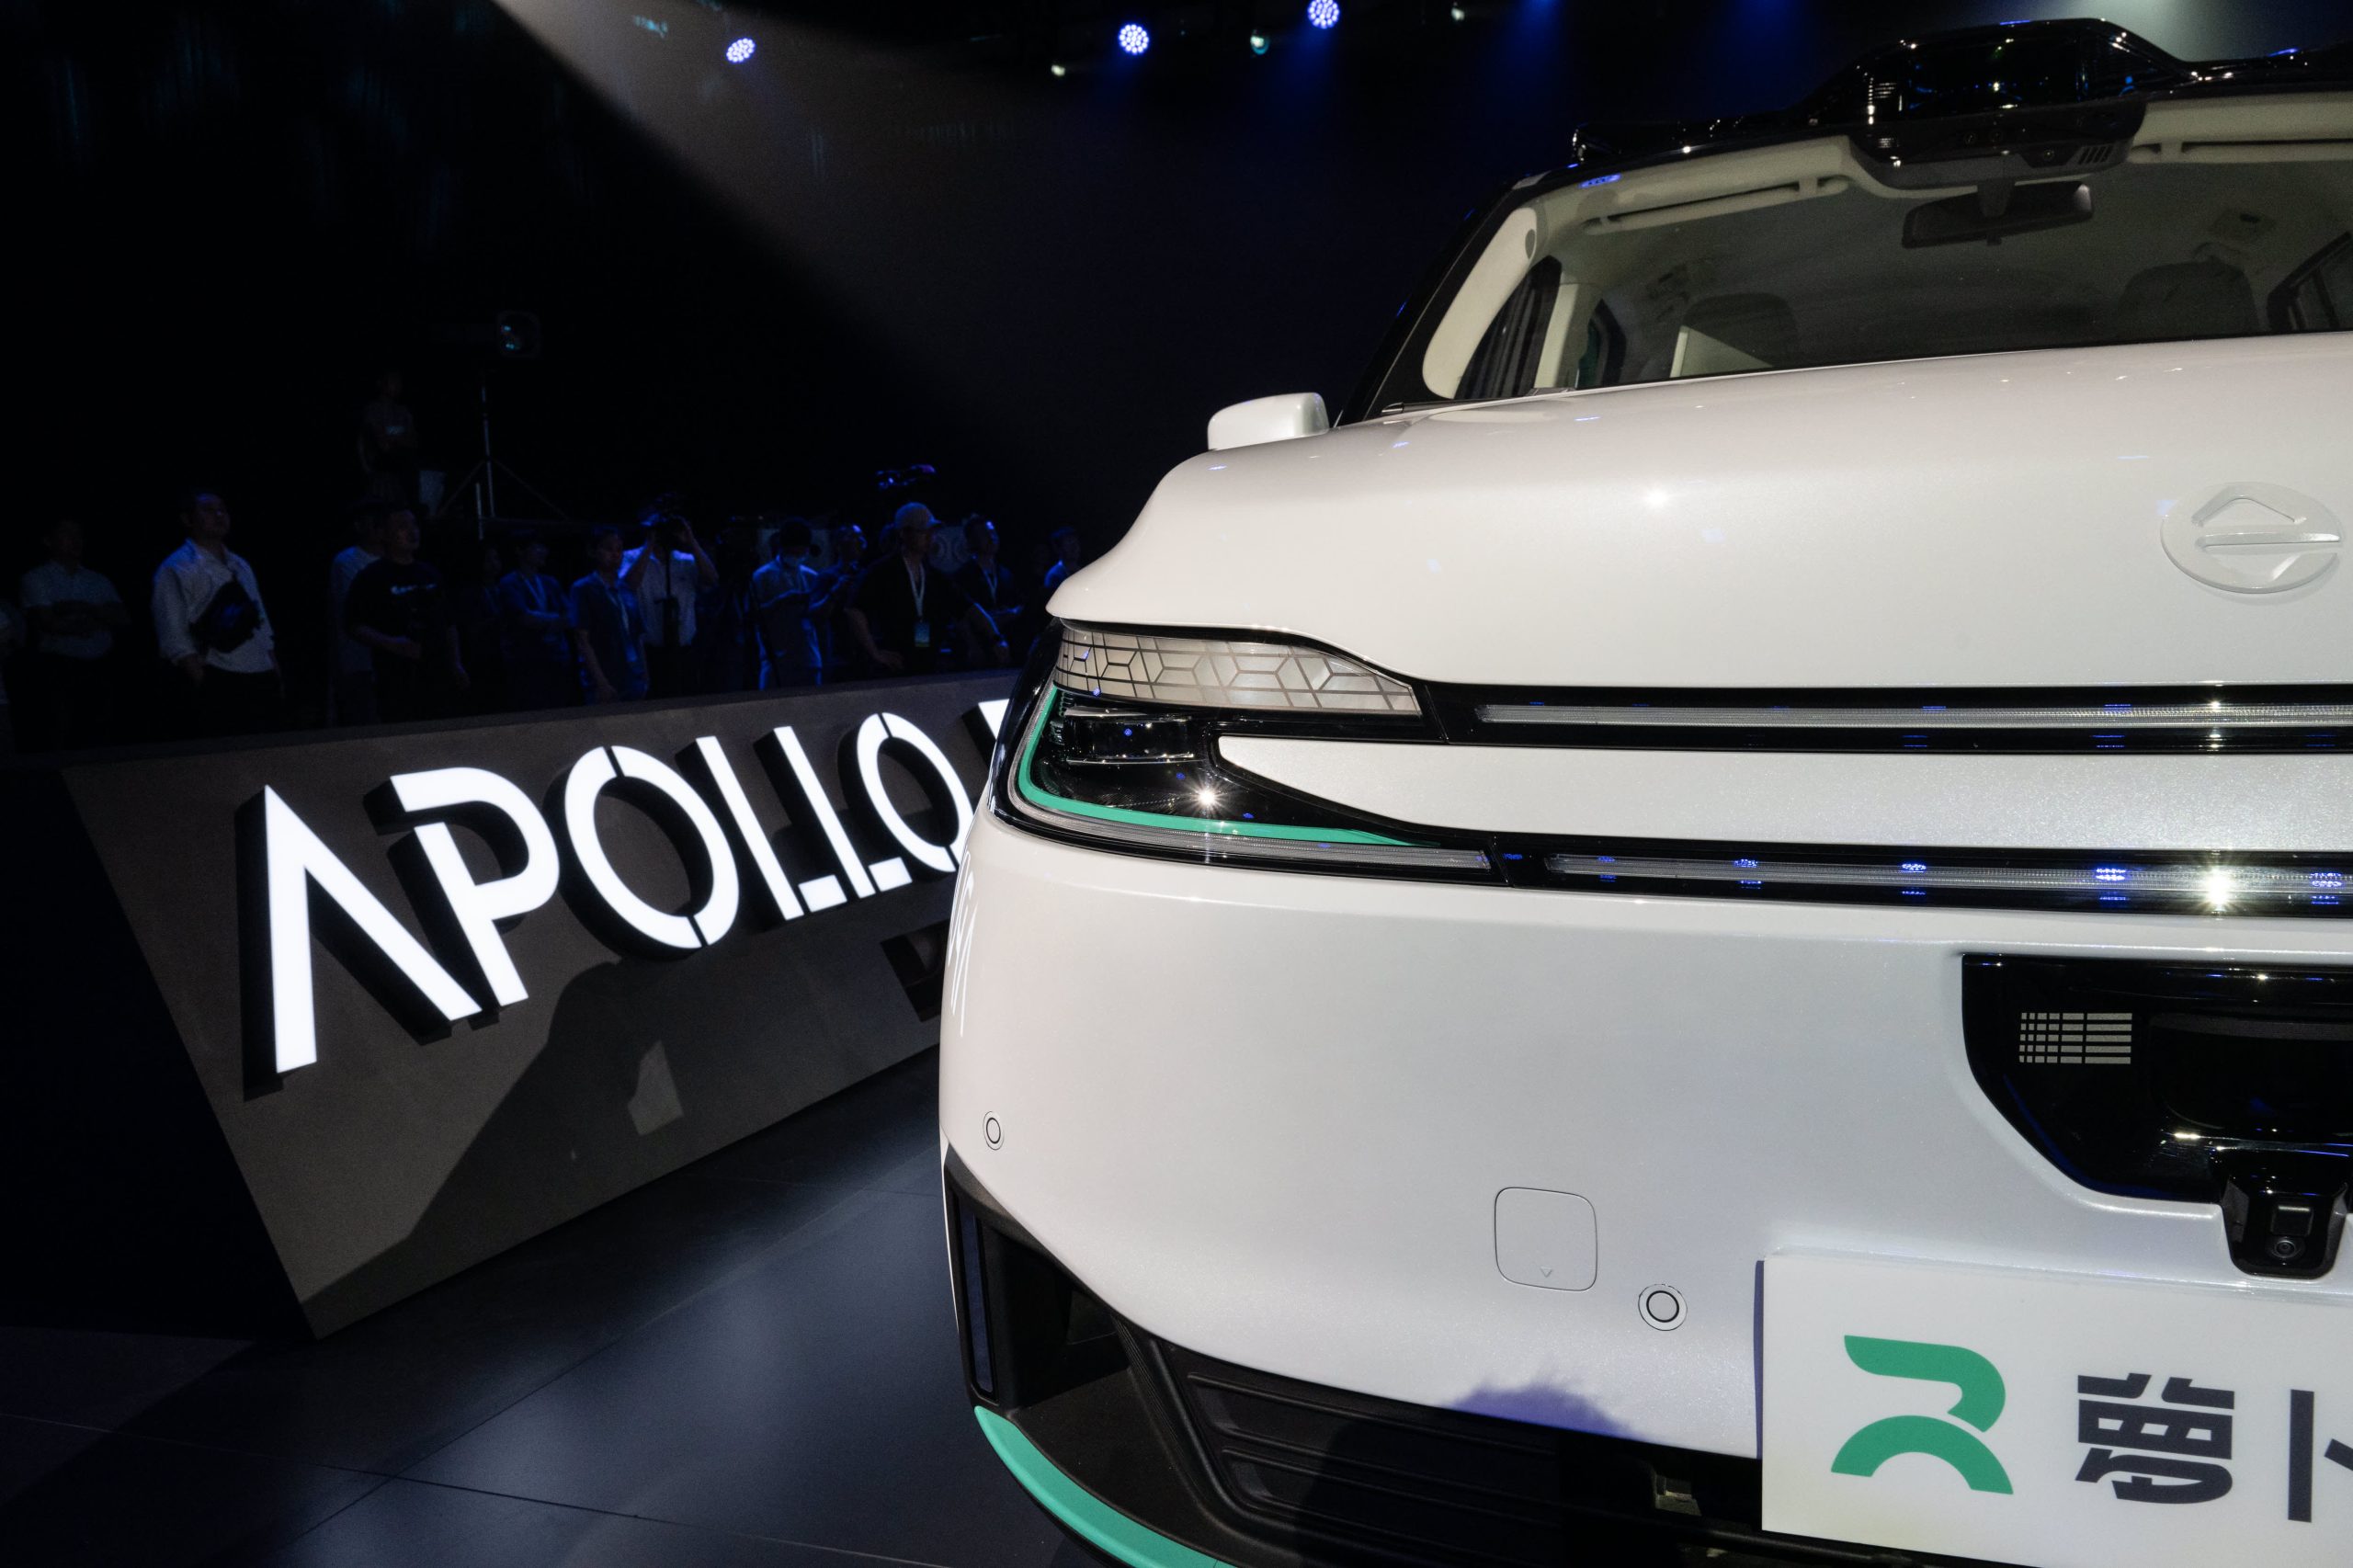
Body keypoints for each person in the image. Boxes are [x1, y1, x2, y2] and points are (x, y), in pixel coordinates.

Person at [152, 489, 279, 736]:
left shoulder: (240, 564)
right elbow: (173, 636)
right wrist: (203, 682)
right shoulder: (177, 567)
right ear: (188, 519)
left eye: (222, 510)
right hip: (220, 675)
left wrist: (274, 670)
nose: (219, 515)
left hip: (260, 674)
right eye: (208, 510)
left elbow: (262, 623)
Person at [845, 503, 1008, 676]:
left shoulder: (934, 576)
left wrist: (996, 638)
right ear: (904, 533)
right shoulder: (882, 571)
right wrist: (874, 652)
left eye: (933, 531)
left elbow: (968, 606)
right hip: (894, 667)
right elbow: (853, 610)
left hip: (926, 664)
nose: (931, 537)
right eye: (923, 531)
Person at [345, 507, 468, 722]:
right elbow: (354, 625)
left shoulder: (430, 573)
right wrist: (392, 643)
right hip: (398, 678)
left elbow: (449, 622)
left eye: (414, 525)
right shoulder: (371, 577)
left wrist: (456, 661)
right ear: (384, 534)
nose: (412, 532)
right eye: (402, 526)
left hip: (438, 676)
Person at [20, 519, 128, 747]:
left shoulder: (97, 579)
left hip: (99, 665)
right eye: (67, 534)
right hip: (58, 667)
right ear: (48, 541)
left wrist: (80, 608)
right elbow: (48, 622)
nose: (75, 540)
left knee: (100, 731)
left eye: (78, 535)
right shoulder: (37, 578)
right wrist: (95, 620)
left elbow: (121, 617)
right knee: (60, 730)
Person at [621, 509, 716, 698]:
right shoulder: (632, 557)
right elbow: (628, 585)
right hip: (649, 651)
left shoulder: (686, 560)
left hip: (684, 649)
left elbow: (712, 580)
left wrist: (690, 540)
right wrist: (650, 545)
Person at [495, 531, 574, 711]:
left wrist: (544, 620)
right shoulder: (509, 583)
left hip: (556, 659)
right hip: (527, 662)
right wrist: (555, 620)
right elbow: (523, 617)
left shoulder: (550, 582)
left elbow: (570, 615)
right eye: (536, 547)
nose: (542, 551)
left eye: (543, 547)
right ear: (519, 551)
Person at [328, 500, 389, 725]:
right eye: (373, 521)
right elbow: (357, 610)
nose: (379, 527)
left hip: (394, 660)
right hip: (360, 659)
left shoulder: (394, 559)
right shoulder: (347, 561)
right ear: (359, 525)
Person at [572, 525, 648, 703]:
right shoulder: (583, 588)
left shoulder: (625, 588)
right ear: (593, 552)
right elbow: (582, 639)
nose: (615, 554)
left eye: (619, 549)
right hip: (606, 675)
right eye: (608, 549)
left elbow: (637, 635)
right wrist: (601, 682)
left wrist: (645, 674)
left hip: (632, 673)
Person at [751, 517, 824, 687]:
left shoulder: (811, 576)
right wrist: (782, 601)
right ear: (782, 547)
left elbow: (820, 618)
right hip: (775, 660)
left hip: (808, 659)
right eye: (794, 552)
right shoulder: (763, 576)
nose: (798, 556)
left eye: (801, 553)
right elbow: (753, 616)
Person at [953, 518, 1028, 650]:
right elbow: (960, 615)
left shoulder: (1005, 573)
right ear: (971, 540)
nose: (991, 537)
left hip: (1008, 641)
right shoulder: (963, 575)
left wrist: (1012, 612)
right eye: (984, 534)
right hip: (979, 642)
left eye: (993, 532)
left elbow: (1020, 602)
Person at [360, 369, 420, 503]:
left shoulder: (404, 412)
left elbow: (414, 442)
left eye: (399, 382)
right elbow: (383, 446)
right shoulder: (373, 410)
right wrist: (401, 439)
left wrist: (392, 439)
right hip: (381, 469)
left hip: (404, 470)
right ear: (381, 384)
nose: (397, 386)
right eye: (393, 381)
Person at [1040, 525, 1086, 597]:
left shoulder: (1083, 568)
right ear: (1058, 549)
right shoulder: (1054, 576)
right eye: (1069, 543)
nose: (1075, 548)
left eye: (1076, 542)